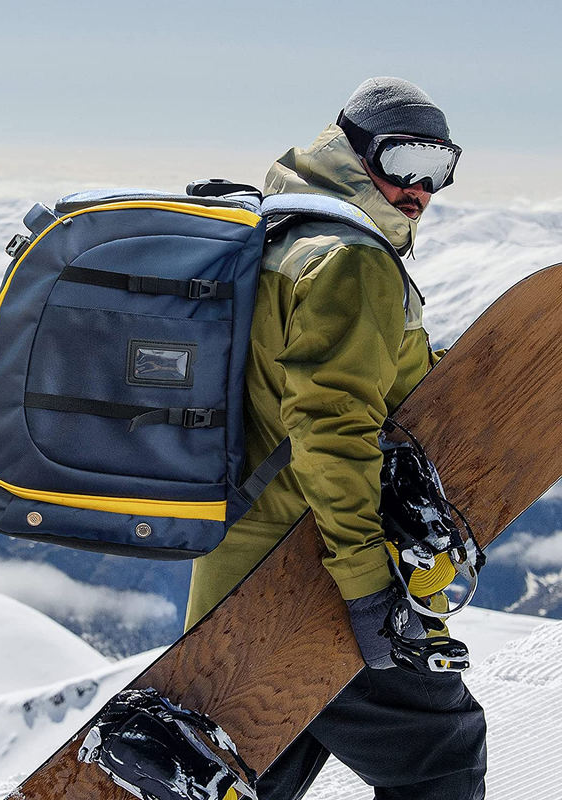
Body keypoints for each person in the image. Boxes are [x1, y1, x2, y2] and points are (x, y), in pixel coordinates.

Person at [184, 77, 487, 799]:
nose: (420, 188)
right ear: (353, 151)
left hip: (240, 566)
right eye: (405, 158)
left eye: (438, 168)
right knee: (440, 756)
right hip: (312, 575)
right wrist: (364, 588)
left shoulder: (283, 233)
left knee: (262, 763)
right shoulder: (350, 260)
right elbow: (331, 429)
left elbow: (336, 390)